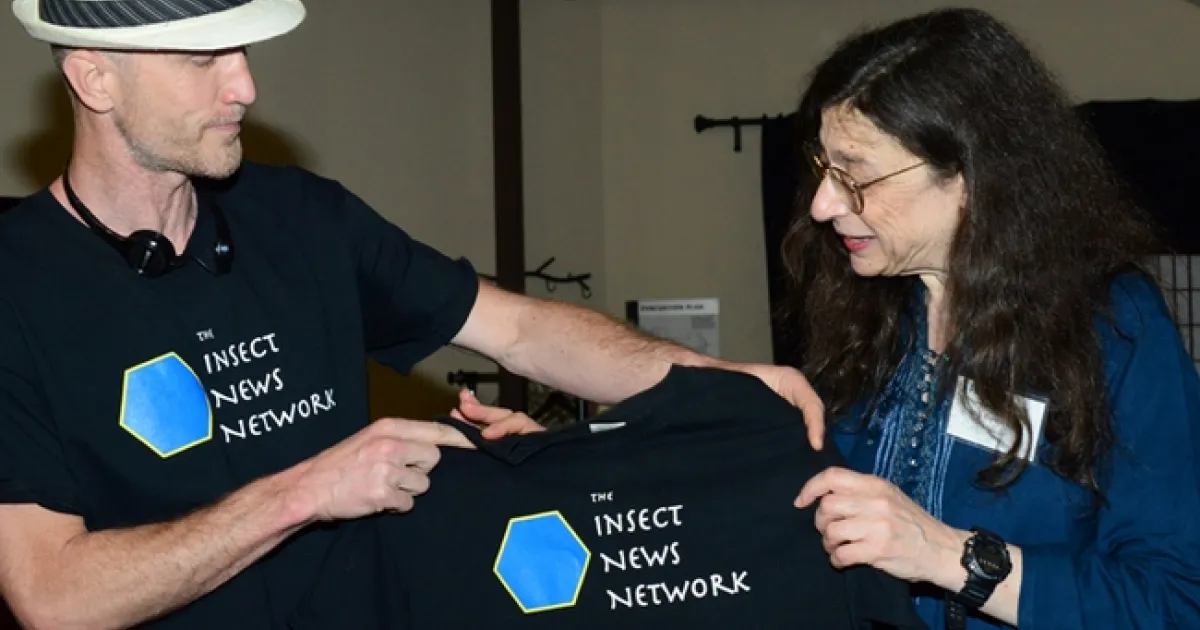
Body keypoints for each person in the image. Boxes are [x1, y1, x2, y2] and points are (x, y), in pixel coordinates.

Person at [0, 1, 824, 629]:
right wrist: (307, 491)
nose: (245, 86)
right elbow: (51, 596)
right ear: (95, 78)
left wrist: (715, 378)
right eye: (203, 59)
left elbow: (518, 330)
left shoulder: (300, 218)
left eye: (242, 53)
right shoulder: (17, 287)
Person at [778, 7, 1200, 630]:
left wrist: (949, 557)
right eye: (824, 168)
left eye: (856, 174)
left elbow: (1175, 599)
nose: (822, 205)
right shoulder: (865, 312)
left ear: (971, 175)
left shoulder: (1113, 325)